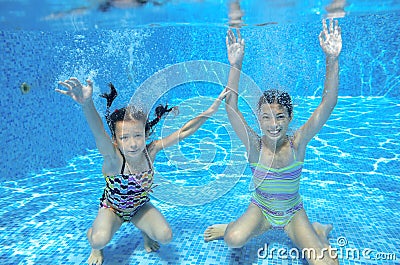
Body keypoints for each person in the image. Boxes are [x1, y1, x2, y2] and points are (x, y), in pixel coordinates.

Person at [204, 19, 342, 265]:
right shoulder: (254, 146)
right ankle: (247, 226)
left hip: (292, 213)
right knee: (233, 238)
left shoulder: (297, 143)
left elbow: (328, 103)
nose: (273, 124)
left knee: (327, 264)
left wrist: (332, 58)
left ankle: (316, 232)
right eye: (266, 117)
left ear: (290, 118)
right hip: (262, 209)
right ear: (258, 119)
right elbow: (231, 107)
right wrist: (235, 64)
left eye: (280, 117)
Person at [56, 78, 228, 265]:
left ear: (146, 134)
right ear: (115, 140)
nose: (132, 143)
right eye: (125, 137)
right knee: (98, 239)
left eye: (138, 135)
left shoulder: (151, 151)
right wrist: (87, 104)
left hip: (140, 207)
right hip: (113, 210)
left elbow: (184, 131)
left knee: (165, 236)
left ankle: (145, 231)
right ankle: (96, 247)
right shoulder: (114, 159)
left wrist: (211, 110)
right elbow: (98, 131)